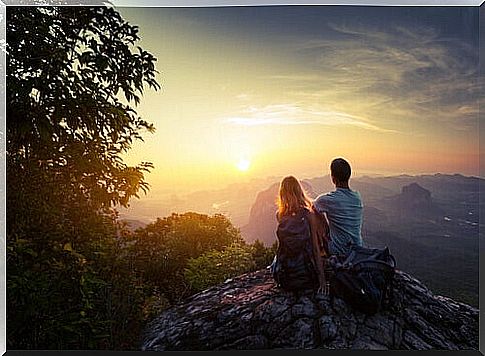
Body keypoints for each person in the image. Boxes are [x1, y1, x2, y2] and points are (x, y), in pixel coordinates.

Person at [274, 176, 329, 294]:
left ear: (282, 194)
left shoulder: (279, 215)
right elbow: (315, 248)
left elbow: (282, 247)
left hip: (286, 277)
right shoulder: (308, 214)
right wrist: (322, 280)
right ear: (299, 191)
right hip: (306, 275)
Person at [312, 158, 363, 257]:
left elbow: (312, 207)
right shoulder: (357, 197)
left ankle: (316, 255)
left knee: (312, 214)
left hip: (338, 251)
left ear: (333, 178)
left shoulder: (328, 200)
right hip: (358, 249)